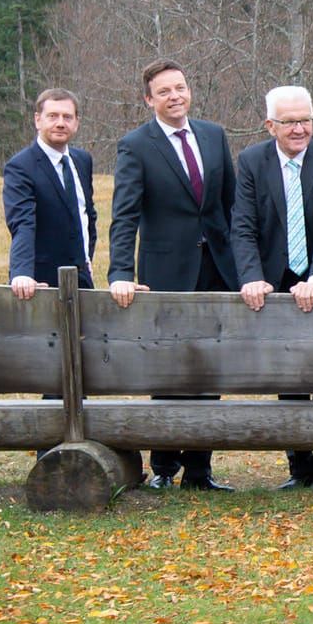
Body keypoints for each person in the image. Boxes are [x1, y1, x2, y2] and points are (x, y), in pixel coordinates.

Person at [107, 59, 239, 491]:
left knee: (210, 370)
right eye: (164, 91)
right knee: (168, 371)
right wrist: (121, 271)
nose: (174, 96)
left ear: (189, 91)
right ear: (149, 99)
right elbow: (124, 216)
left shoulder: (214, 135)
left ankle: (200, 470)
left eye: (180, 88)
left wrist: (247, 267)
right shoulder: (136, 145)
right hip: (164, 273)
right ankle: (165, 467)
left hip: (217, 269)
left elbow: (233, 208)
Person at [231, 85, 313, 490]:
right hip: (273, 279)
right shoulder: (250, 161)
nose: (300, 129)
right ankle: (299, 467)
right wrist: (250, 277)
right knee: (289, 375)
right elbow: (243, 225)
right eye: (290, 122)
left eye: (306, 120)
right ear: (270, 126)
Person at [4, 88, 97, 300]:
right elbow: (22, 223)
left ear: (76, 123)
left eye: (67, 117)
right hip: (39, 285)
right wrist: (21, 274)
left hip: (82, 281)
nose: (60, 123)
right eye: (52, 116)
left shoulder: (83, 161)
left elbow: (87, 215)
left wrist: (86, 258)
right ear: (38, 120)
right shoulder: (20, 167)